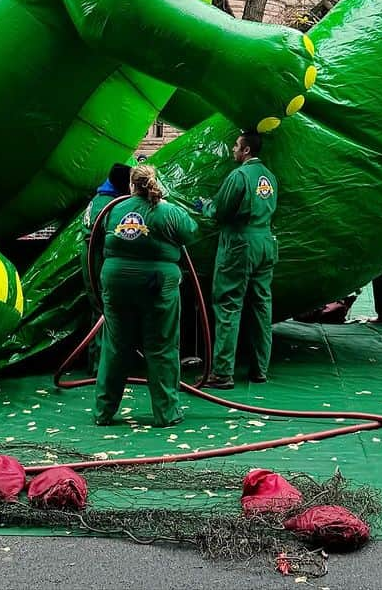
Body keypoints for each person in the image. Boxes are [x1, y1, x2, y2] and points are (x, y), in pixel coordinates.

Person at [94, 164, 198, 428]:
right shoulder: (169, 212)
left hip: (117, 282)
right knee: (161, 346)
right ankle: (166, 414)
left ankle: (103, 412)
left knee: (115, 348)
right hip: (156, 284)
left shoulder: (114, 209)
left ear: (131, 185)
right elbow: (192, 233)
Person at [198, 132, 279, 389]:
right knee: (261, 307)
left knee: (228, 305)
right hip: (266, 243)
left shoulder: (239, 176)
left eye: (235, 146)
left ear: (245, 151)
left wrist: (206, 206)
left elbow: (221, 212)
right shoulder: (270, 177)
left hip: (240, 245)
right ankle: (260, 370)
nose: (233, 150)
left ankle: (222, 373)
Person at [81, 163, 132, 301]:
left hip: (91, 257)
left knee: (98, 303)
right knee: (105, 304)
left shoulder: (99, 198)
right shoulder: (108, 203)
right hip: (98, 259)